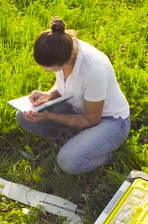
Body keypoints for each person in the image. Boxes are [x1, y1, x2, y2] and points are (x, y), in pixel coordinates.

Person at [16, 17, 130, 175]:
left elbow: (91, 119)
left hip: (110, 121)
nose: (46, 71)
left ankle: (105, 153)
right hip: (77, 108)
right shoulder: (64, 47)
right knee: (24, 116)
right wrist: (48, 95)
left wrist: (50, 116)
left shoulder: (94, 70)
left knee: (69, 162)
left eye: (49, 68)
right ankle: (77, 139)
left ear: (64, 60)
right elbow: (66, 86)